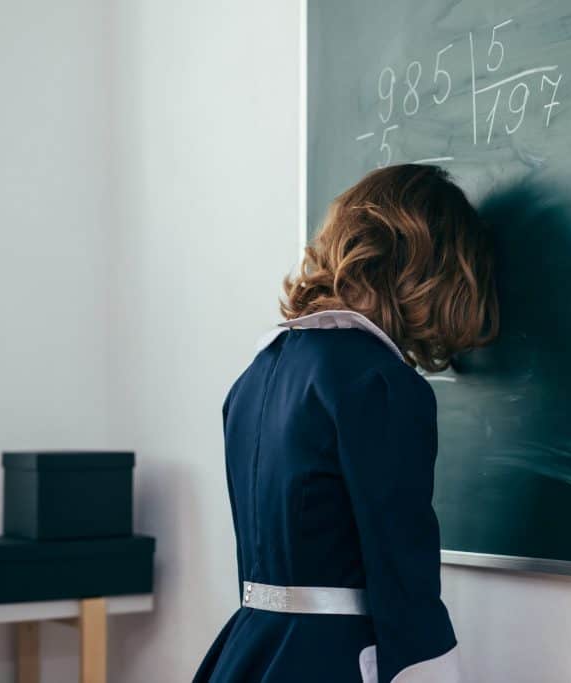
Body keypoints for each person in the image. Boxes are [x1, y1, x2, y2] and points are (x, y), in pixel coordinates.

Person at [193, 164, 499, 683]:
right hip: (332, 659)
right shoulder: (379, 383)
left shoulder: (256, 374)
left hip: (250, 650)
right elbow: (404, 575)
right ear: (427, 268)